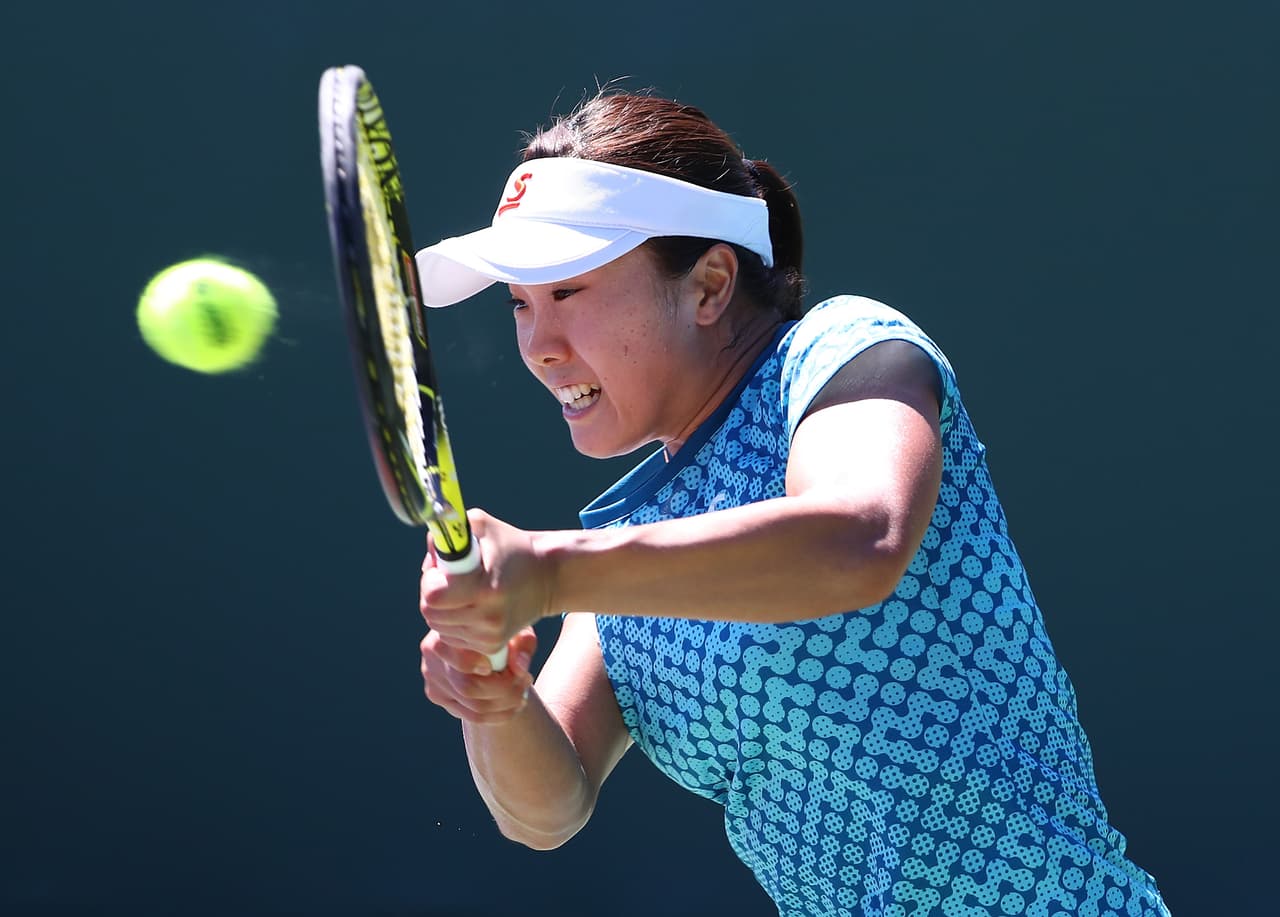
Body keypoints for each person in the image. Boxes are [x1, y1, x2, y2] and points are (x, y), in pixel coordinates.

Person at [412, 91, 1171, 917]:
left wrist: (551, 572)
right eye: (520, 303)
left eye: (570, 291)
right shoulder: (627, 551)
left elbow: (859, 539)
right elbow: (545, 810)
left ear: (709, 285)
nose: (539, 345)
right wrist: (493, 691)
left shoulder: (845, 350)